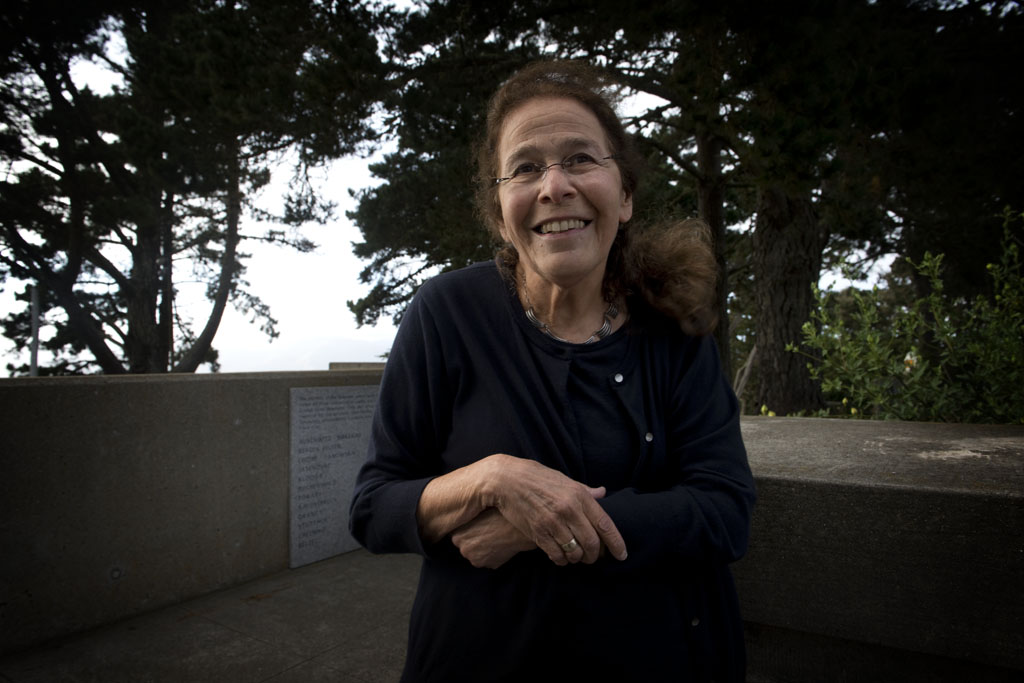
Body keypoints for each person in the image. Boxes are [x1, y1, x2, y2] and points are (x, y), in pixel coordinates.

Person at [349, 60, 755, 682]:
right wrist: (492, 480)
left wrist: (541, 526)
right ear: (500, 210)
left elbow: (724, 511)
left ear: (623, 197)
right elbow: (374, 506)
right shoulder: (446, 314)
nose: (554, 185)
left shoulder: (674, 328)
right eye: (527, 167)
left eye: (581, 159)